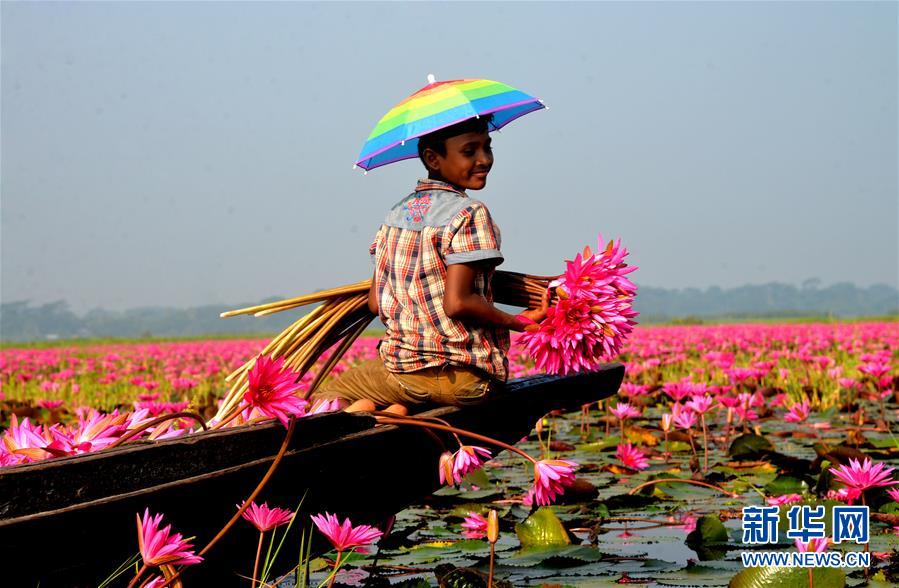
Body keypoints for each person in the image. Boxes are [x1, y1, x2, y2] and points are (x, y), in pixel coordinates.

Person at [312, 114, 548, 414]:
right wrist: (519, 322)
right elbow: (458, 303)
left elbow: (375, 302)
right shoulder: (470, 213)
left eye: (487, 148)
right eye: (469, 151)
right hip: (468, 381)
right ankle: (391, 413)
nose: (484, 159)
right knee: (388, 394)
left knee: (330, 393)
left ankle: (382, 411)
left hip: (406, 375)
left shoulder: (393, 217)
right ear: (432, 158)